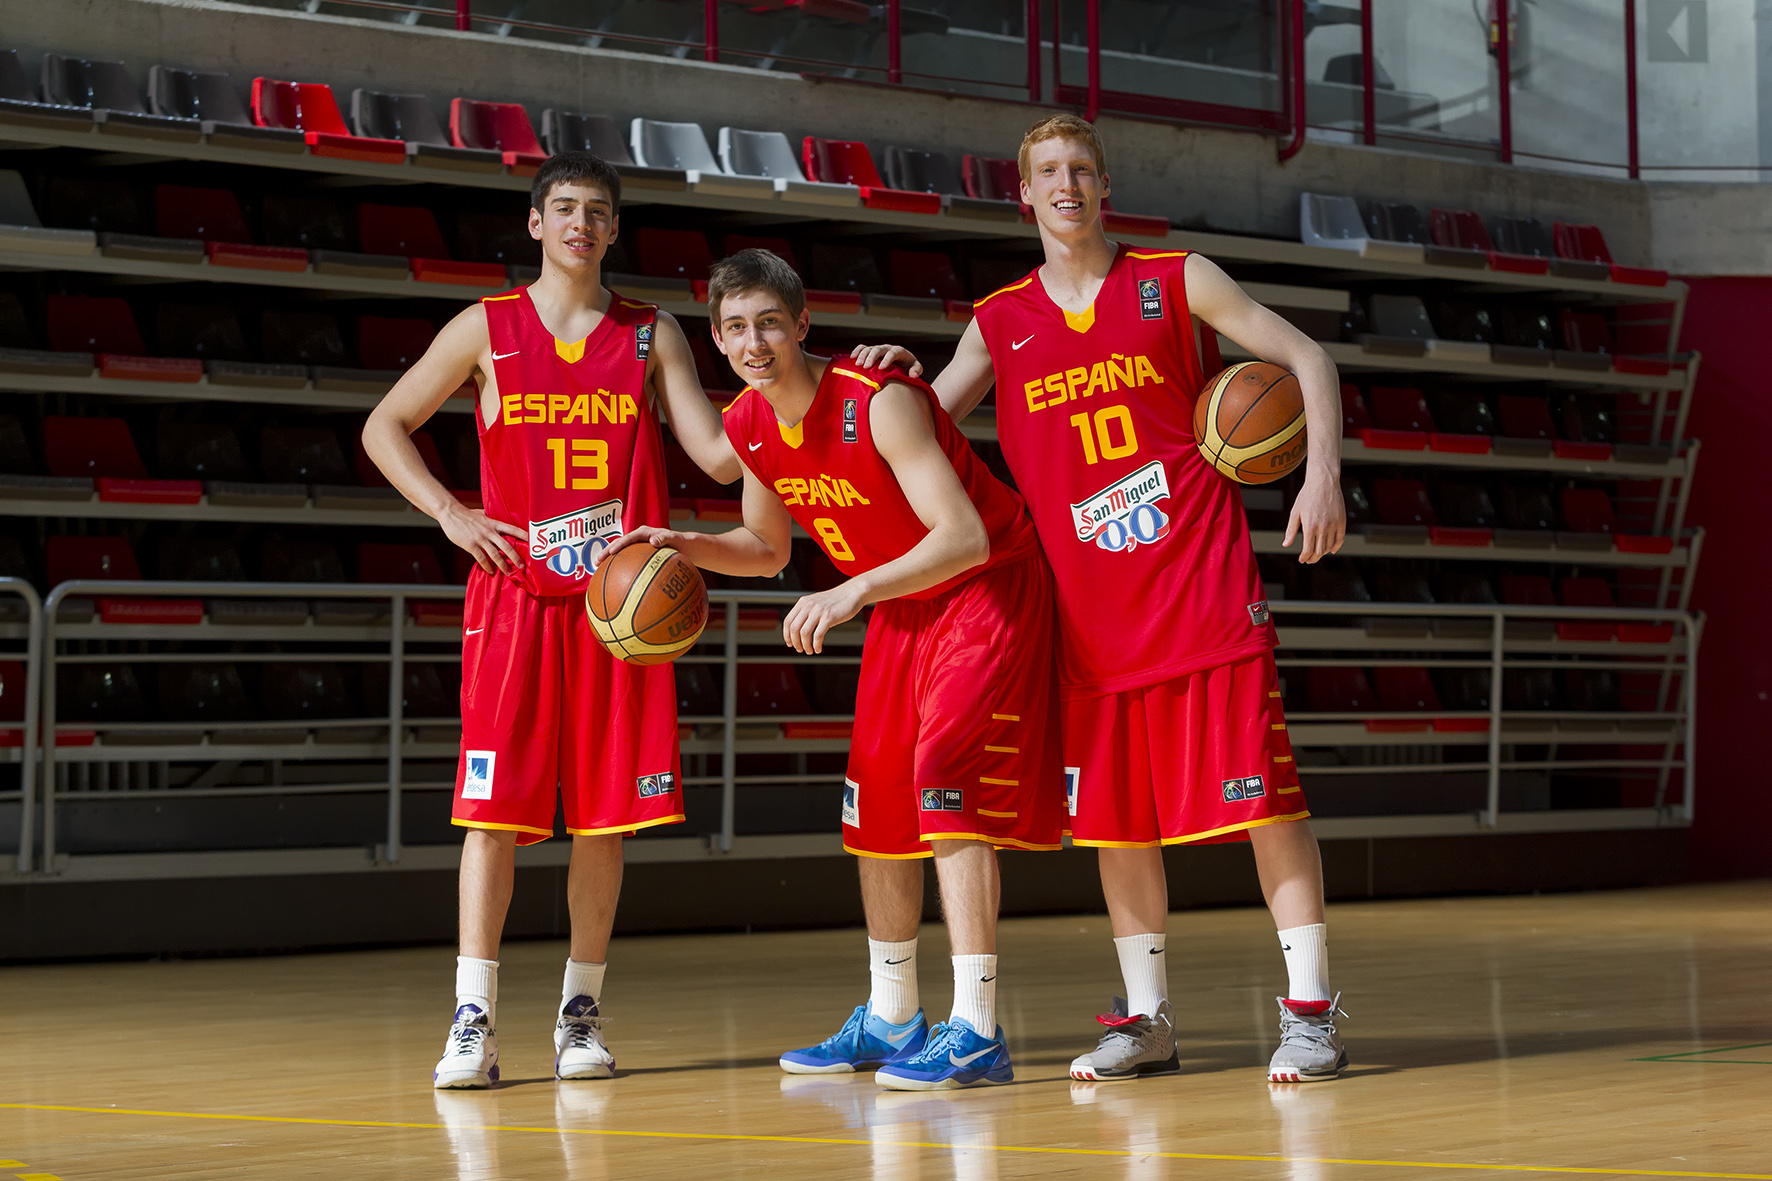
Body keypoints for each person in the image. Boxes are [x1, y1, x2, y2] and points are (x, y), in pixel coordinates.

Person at [362, 153, 912, 1089]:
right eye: (565, 208)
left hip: (618, 610)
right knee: (490, 819)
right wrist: (450, 513)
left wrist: (825, 374)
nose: (582, 223)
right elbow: (385, 424)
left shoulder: (649, 334)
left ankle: (580, 1014)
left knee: (606, 821)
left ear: (615, 231)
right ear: (536, 224)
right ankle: (474, 1016)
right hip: (517, 600)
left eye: (599, 212)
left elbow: (720, 449)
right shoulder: (485, 329)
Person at [922, 114, 1351, 1084]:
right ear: (1021, 193)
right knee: (1115, 824)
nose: (1064, 184)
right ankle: (1146, 1018)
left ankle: (1312, 1012)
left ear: (1103, 184)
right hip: (1088, 622)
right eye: (1046, 172)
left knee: (1265, 804)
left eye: (1079, 168)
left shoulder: (1172, 279)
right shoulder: (998, 322)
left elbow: (1307, 360)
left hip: (1203, 595)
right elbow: (915, 429)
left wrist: (1318, 474)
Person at [601, 247, 1062, 1091]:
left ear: (802, 324)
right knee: (875, 796)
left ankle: (977, 1028)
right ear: (717, 339)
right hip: (902, 601)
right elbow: (768, 547)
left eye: (769, 323)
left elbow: (966, 535)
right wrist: (684, 545)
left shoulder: (878, 403)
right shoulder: (745, 424)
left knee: (941, 776)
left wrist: (854, 590)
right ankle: (892, 1017)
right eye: (736, 328)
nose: (754, 342)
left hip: (986, 586)